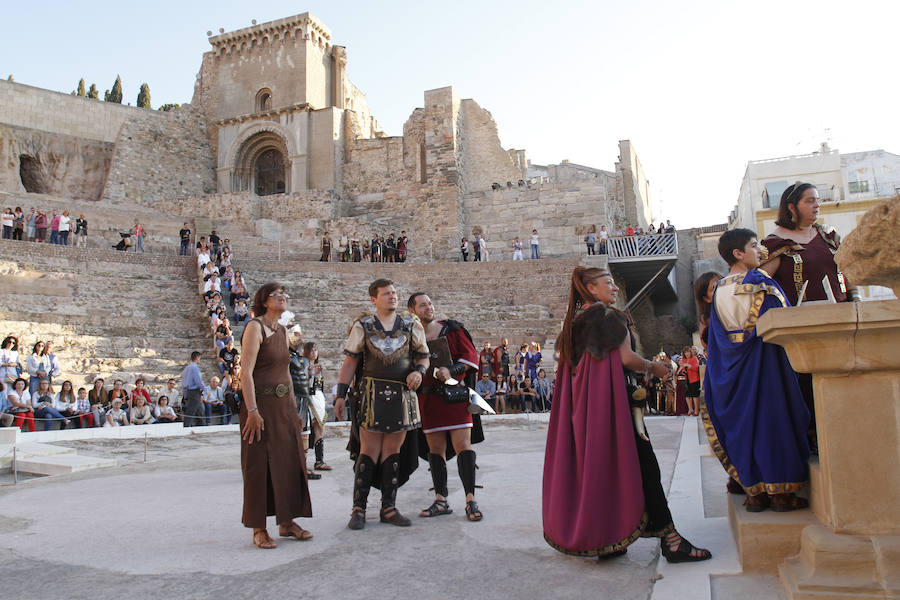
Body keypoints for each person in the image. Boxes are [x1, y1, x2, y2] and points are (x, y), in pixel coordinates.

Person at [543, 266, 711, 561]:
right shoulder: (608, 316)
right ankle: (671, 541)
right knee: (646, 468)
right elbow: (626, 358)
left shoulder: (574, 323)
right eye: (607, 283)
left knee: (601, 470)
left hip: (585, 414)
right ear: (590, 289)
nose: (615, 287)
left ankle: (611, 540)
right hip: (616, 409)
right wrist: (655, 367)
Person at [703, 228, 810, 512]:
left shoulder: (720, 288)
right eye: (754, 245)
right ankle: (782, 495)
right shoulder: (761, 283)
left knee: (744, 429)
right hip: (766, 368)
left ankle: (755, 494)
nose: (760, 250)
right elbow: (780, 325)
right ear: (738, 253)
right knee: (775, 425)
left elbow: (718, 337)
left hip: (732, 371)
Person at [760, 182, 858, 451]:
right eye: (810, 201)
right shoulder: (775, 243)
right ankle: (815, 438)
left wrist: (855, 301)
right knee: (808, 386)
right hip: (803, 329)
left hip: (839, 319)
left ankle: (847, 432)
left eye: (818, 200)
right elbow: (759, 283)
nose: (817, 205)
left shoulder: (828, 236)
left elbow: (846, 271)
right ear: (792, 206)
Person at [334, 279, 429, 530]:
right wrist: (341, 394)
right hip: (371, 393)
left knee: (392, 451)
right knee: (369, 450)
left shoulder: (411, 323)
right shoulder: (363, 325)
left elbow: (423, 357)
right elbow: (350, 363)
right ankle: (359, 509)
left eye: (395, 293)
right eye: (386, 294)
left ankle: (389, 507)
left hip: (402, 392)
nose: (393, 297)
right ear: (374, 299)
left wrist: (419, 372)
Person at [240, 282, 313, 548]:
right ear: (264, 300)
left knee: (290, 463)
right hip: (260, 405)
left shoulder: (283, 331)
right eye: (277, 295)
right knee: (258, 466)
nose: (283, 298)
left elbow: (287, 375)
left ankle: (287, 521)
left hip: (283, 406)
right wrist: (252, 411)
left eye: (285, 294)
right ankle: (258, 528)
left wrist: (294, 411)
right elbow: (245, 372)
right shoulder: (254, 327)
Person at [408, 292, 484, 521]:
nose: (428, 307)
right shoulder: (410, 336)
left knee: (463, 446)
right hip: (428, 400)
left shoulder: (452, 329)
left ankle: (471, 500)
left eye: (430, 303)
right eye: (423, 305)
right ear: (412, 310)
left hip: (455, 397)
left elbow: (471, 358)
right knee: (435, 450)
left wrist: (451, 371)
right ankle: (441, 500)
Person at [288, 326, 320, 480]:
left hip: (303, 399)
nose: (299, 338)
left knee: (305, 434)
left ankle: (302, 465)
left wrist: (310, 374)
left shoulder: (301, 358)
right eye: (296, 334)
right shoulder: (284, 355)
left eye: (300, 334)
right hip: (291, 400)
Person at [304, 341, 331, 473]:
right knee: (305, 432)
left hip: (319, 400)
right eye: (311, 350)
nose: (314, 352)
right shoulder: (303, 365)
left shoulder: (318, 366)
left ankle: (319, 461)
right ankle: (302, 462)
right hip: (308, 400)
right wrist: (309, 374)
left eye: (315, 350)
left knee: (320, 429)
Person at [181, 351, 205, 427]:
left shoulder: (186, 369)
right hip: (194, 391)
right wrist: (205, 389)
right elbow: (198, 381)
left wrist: (185, 394)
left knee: (199, 409)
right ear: (197, 357)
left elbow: (184, 382)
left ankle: (201, 425)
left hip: (189, 391)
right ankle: (186, 425)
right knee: (191, 410)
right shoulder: (194, 368)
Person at [681, 347, 701, 417]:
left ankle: (696, 410)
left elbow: (696, 368)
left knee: (695, 395)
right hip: (687, 379)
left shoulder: (694, 358)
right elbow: (682, 368)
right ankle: (690, 409)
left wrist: (689, 366)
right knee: (687, 395)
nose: (687, 353)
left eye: (688, 352)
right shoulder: (683, 360)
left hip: (694, 379)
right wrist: (683, 370)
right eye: (685, 352)